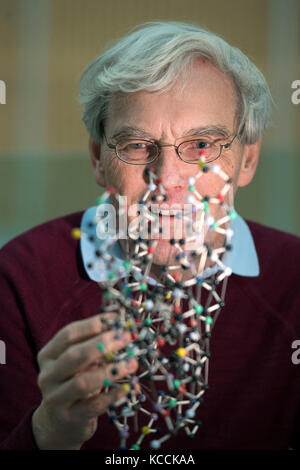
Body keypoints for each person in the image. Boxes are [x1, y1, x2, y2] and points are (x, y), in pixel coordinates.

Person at [0, 21, 299, 451]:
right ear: (99, 159)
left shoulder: (293, 281)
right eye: (138, 145)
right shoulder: (21, 277)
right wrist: (49, 432)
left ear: (247, 161)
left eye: (201, 145)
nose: (168, 180)